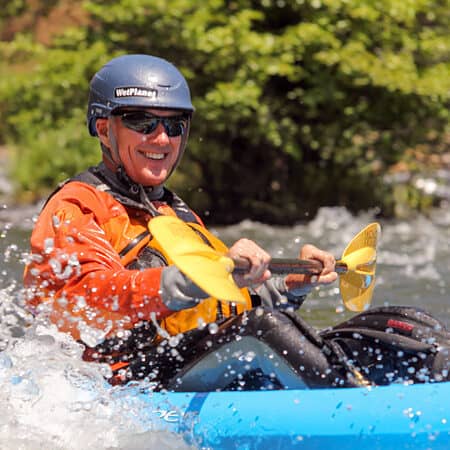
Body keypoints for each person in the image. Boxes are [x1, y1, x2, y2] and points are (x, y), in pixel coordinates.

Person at [23, 53, 356, 390]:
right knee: (262, 328)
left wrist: (286, 287)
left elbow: (221, 313)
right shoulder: (77, 205)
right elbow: (84, 302)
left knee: (395, 328)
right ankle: (354, 412)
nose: (162, 138)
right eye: (143, 123)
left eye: (174, 125)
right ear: (105, 130)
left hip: (189, 364)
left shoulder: (176, 213)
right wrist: (187, 280)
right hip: (124, 384)